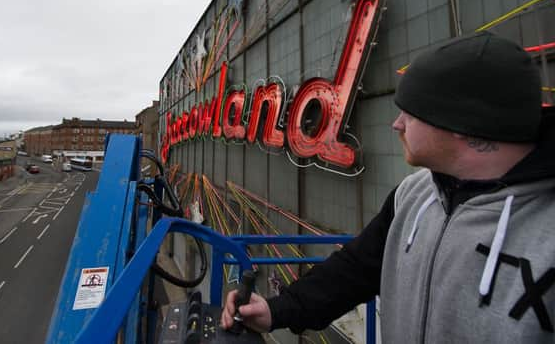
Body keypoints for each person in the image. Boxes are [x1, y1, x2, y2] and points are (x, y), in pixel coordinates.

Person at [221, 31, 555, 343]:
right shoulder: (413, 194)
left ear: (461, 123)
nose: (396, 124)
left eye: (410, 113)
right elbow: (355, 270)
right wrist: (277, 309)